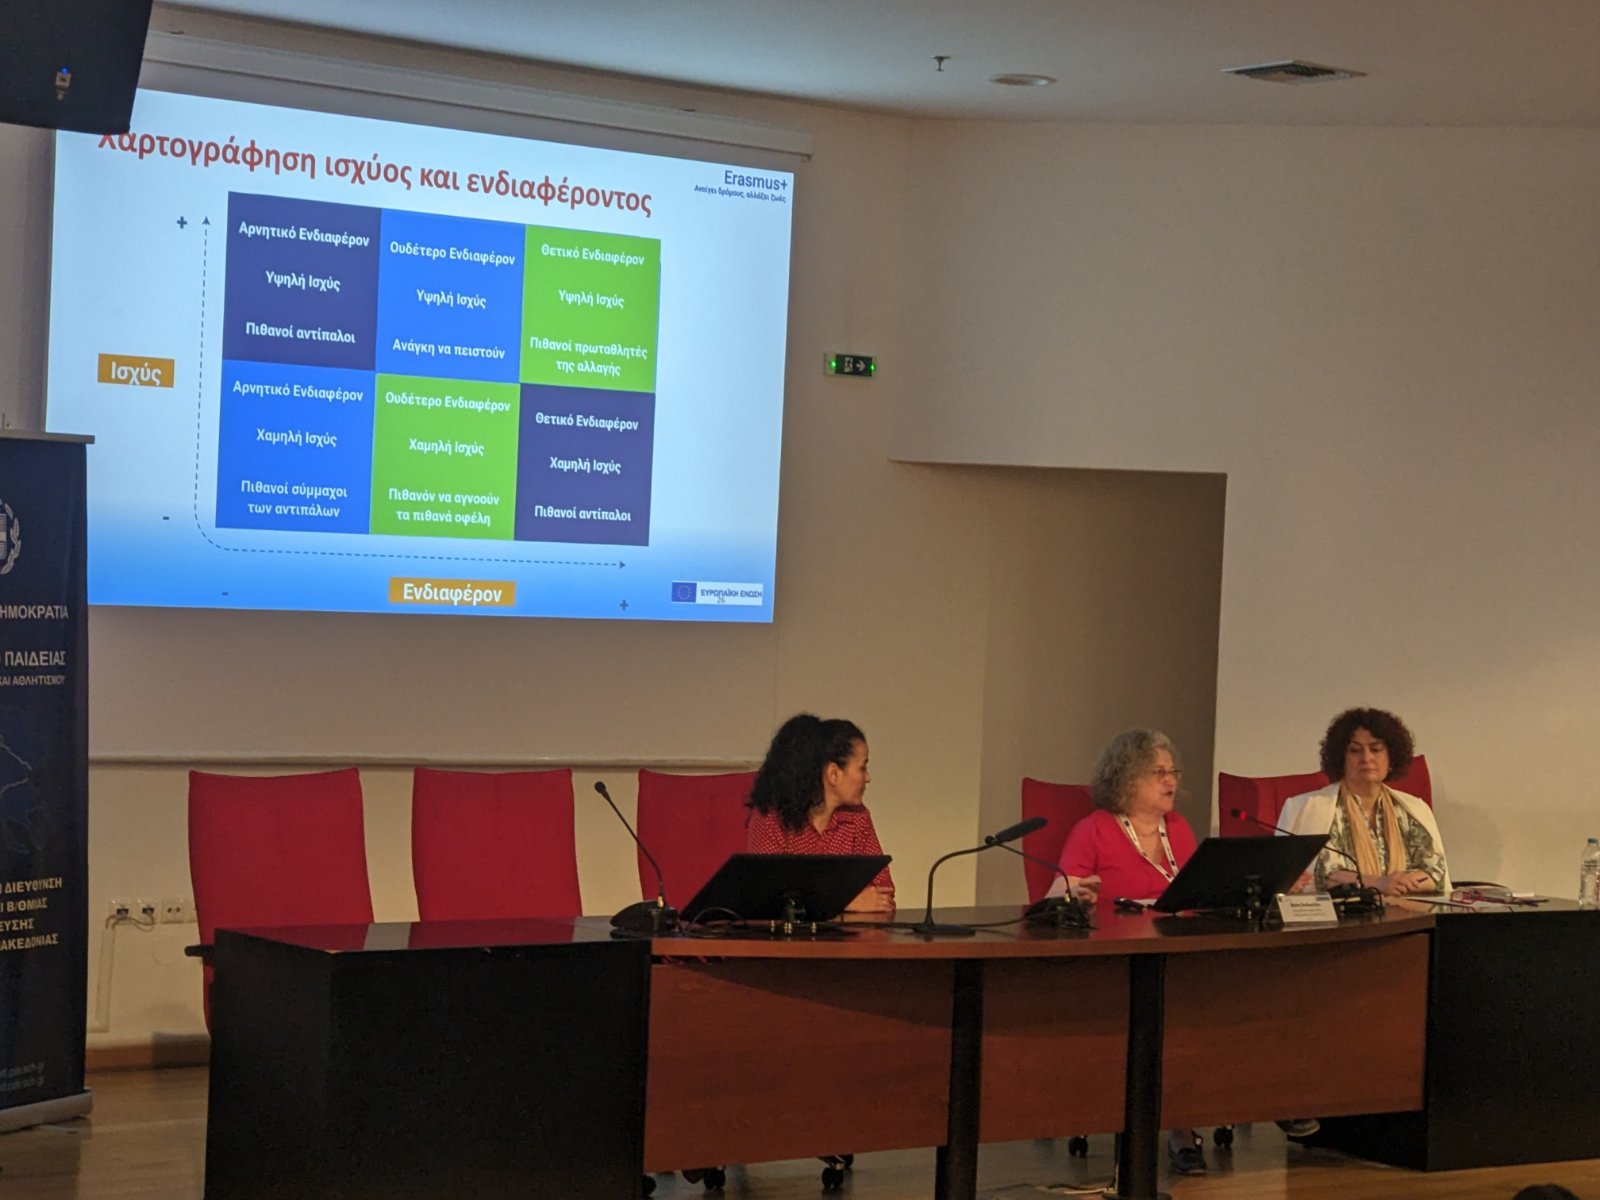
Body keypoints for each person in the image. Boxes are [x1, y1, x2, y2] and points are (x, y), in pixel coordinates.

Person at [1053, 728, 1208, 1175]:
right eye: (1158, 773)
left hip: (1178, 951)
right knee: (1169, 1014)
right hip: (1112, 958)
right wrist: (1077, 893)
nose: (1170, 780)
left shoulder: (1179, 829)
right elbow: (1059, 892)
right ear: (1126, 778)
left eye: (1173, 771)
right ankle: (1177, 1130)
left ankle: (1195, 1117)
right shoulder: (1094, 829)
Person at [1280, 707, 1451, 897]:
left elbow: (1435, 872)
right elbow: (1321, 875)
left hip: (1407, 910)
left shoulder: (1414, 809)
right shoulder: (1306, 810)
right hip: (1341, 912)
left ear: (1391, 757)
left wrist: (1399, 884)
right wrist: (1379, 883)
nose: (1366, 758)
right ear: (1341, 758)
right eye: (1355, 750)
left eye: (1376, 749)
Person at [746, 713, 894, 912]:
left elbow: (884, 892)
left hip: (849, 931)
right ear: (834, 774)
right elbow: (767, 896)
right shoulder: (772, 818)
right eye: (862, 768)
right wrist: (843, 902)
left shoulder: (858, 818)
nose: (867, 778)